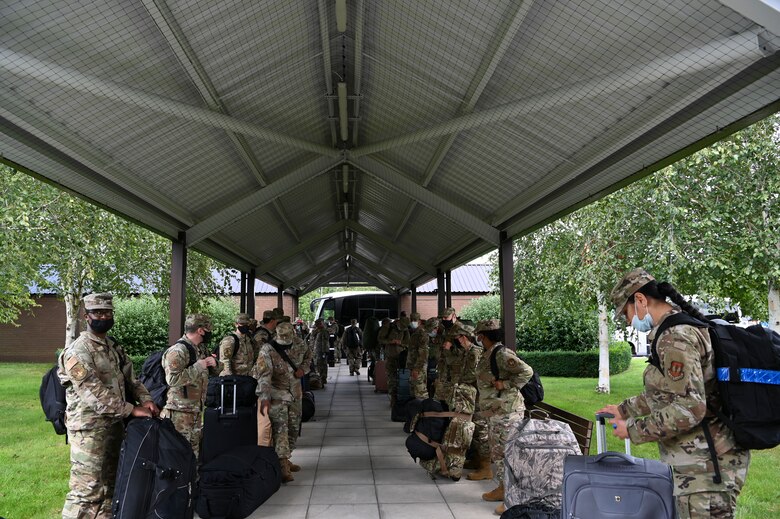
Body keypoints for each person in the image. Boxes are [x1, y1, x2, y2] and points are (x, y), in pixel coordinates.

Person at [597, 268, 750, 519]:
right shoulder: (674, 329)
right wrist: (625, 409)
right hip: (705, 464)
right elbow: (671, 393)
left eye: (626, 313)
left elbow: (691, 406)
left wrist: (634, 429)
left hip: (706, 468)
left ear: (640, 300)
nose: (627, 321)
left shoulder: (675, 336)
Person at [57, 293, 158, 519]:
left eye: (108, 312)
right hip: (89, 431)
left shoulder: (112, 346)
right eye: (98, 313)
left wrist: (146, 399)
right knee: (87, 491)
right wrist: (132, 410)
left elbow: (132, 378)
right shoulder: (78, 351)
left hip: (114, 425)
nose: (104, 316)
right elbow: (94, 393)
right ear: (86, 316)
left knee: (111, 486)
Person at [473, 318, 533, 515]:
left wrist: (505, 385)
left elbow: (526, 371)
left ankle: (511, 499)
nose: (478, 338)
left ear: (484, 336)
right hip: (496, 413)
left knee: (506, 454)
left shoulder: (501, 354)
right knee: (498, 454)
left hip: (507, 414)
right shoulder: (488, 353)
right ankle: (503, 488)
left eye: (479, 335)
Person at [161, 313, 221, 457]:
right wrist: (198, 367)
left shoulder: (201, 349)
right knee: (177, 454)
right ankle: (180, 480)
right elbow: (173, 380)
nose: (210, 333)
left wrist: (216, 364)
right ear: (200, 330)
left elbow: (215, 371)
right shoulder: (178, 351)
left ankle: (192, 479)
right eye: (208, 329)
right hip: (179, 413)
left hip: (195, 411)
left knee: (192, 454)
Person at [255, 321, 300, 482]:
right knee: (280, 429)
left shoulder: (298, 344)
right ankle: (282, 466)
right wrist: (265, 397)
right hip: (276, 395)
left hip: (295, 393)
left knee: (294, 428)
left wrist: (304, 370)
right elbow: (264, 376)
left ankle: (287, 458)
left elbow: (308, 356)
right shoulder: (267, 349)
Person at [407, 315, 437, 398]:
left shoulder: (420, 333)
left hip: (415, 366)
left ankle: (419, 408)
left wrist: (416, 368)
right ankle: (419, 409)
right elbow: (421, 353)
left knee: (417, 390)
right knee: (418, 391)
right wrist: (416, 368)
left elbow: (421, 353)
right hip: (416, 366)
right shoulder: (420, 334)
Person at [384, 318, 411, 409]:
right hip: (390, 356)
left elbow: (408, 343)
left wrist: (401, 343)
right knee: (391, 378)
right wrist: (390, 341)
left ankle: (401, 399)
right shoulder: (388, 328)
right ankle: (393, 398)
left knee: (402, 378)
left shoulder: (406, 330)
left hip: (401, 358)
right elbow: (380, 339)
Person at [311, 318, 330, 385]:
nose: (316, 325)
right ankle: (319, 378)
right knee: (317, 364)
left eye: (318, 324)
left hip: (321, 351)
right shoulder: (316, 331)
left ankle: (323, 378)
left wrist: (324, 351)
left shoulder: (324, 331)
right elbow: (312, 339)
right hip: (315, 350)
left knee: (323, 365)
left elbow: (325, 342)